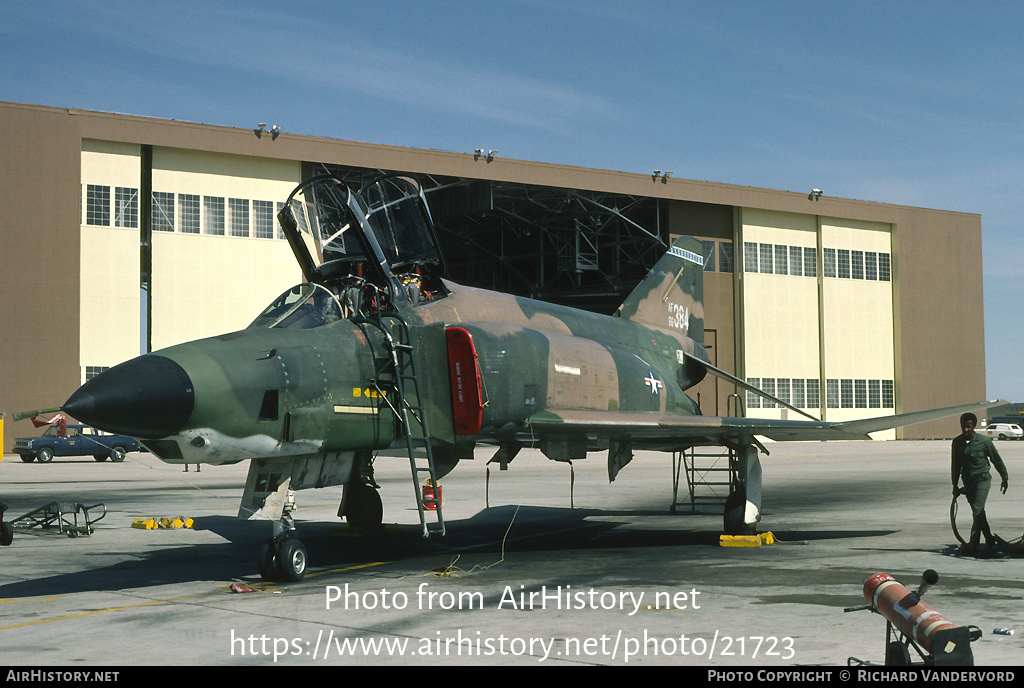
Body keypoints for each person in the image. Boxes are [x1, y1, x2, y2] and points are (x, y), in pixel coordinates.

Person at [951, 413, 1009, 557]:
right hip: (968, 482)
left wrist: (1004, 478)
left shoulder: (984, 442)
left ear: (974, 426)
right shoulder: (957, 442)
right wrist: (955, 485)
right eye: (963, 426)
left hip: (982, 480)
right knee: (979, 513)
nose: (965, 430)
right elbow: (955, 466)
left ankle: (973, 544)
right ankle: (989, 540)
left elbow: (997, 460)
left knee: (977, 510)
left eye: (968, 427)